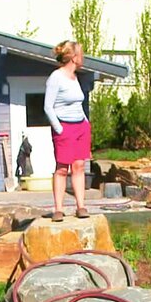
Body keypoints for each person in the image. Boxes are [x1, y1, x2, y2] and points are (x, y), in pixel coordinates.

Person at [44, 40, 91, 222]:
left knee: (79, 166)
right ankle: (58, 209)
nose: (83, 56)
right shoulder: (56, 77)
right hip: (64, 127)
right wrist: (60, 129)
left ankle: (81, 206)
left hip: (80, 127)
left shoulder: (75, 77)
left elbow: (78, 103)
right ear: (73, 57)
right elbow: (48, 107)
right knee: (62, 168)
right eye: (81, 53)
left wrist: (86, 124)